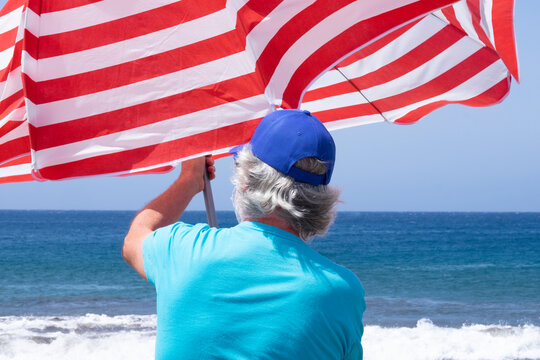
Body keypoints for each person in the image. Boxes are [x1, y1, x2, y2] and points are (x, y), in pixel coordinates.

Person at [122, 109, 366, 359]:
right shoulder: (342, 292)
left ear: (246, 180)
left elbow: (135, 240)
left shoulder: (186, 250)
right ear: (319, 198)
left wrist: (189, 180)